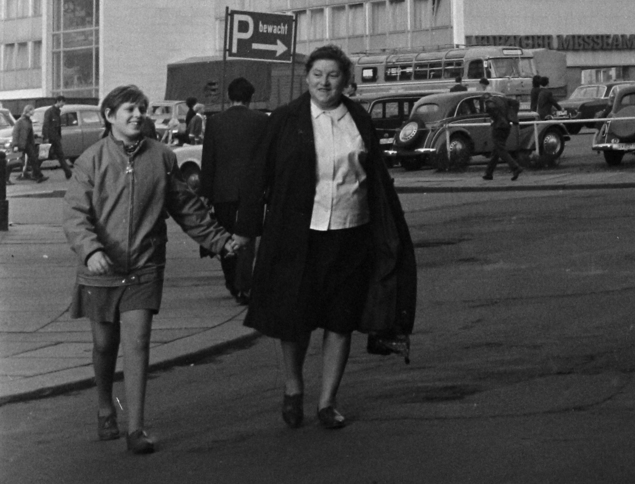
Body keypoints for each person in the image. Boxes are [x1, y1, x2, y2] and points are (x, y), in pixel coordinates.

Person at [239, 45, 415, 430]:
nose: (324, 82)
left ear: (346, 80)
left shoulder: (359, 119)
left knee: (341, 320)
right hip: (299, 236)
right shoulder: (285, 120)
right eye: (317, 74)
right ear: (307, 77)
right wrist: (247, 235)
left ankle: (327, 402)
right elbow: (257, 177)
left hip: (352, 233)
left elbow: (376, 177)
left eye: (333, 75)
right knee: (294, 319)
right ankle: (293, 388)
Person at [62, 84, 242, 454]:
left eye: (141, 108)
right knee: (103, 344)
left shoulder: (162, 157)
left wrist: (220, 240)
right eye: (129, 109)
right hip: (100, 268)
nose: (137, 114)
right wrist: (91, 250)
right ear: (109, 115)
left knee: (138, 342)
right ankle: (103, 405)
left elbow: (186, 207)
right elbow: (75, 215)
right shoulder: (91, 161)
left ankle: (136, 427)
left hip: (144, 266)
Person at [199, 78, 270, 303]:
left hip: (223, 191)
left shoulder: (215, 122)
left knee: (226, 235)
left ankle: (231, 281)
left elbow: (208, 160)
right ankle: (244, 284)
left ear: (229, 96)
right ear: (251, 97)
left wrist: (206, 193)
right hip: (253, 191)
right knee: (247, 237)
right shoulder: (262, 121)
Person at [482, 90, 523, 181]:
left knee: (500, 149)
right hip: (507, 126)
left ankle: (515, 167)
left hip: (498, 127)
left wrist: (496, 119)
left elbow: (492, 108)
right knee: (496, 150)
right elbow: (515, 102)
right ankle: (489, 173)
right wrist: (512, 115)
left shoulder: (489, 102)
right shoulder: (502, 99)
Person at [42, 95, 70, 177]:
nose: (64, 104)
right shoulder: (50, 112)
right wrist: (46, 137)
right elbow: (46, 125)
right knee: (44, 155)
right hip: (51, 137)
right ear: (59, 101)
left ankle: (68, 172)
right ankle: (36, 172)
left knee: (60, 154)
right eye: (63, 102)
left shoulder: (57, 111)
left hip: (55, 137)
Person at [14, 102, 42, 181]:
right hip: (23, 143)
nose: (34, 112)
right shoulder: (21, 121)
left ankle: (38, 175)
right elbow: (15, 133)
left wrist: (36, 136)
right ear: (28, 111)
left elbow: (28, 132)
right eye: (32, 110)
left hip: (28, 143)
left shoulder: (28, 120)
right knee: (17, 160)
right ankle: (6, 177)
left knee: (33, 159)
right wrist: (15, 144)